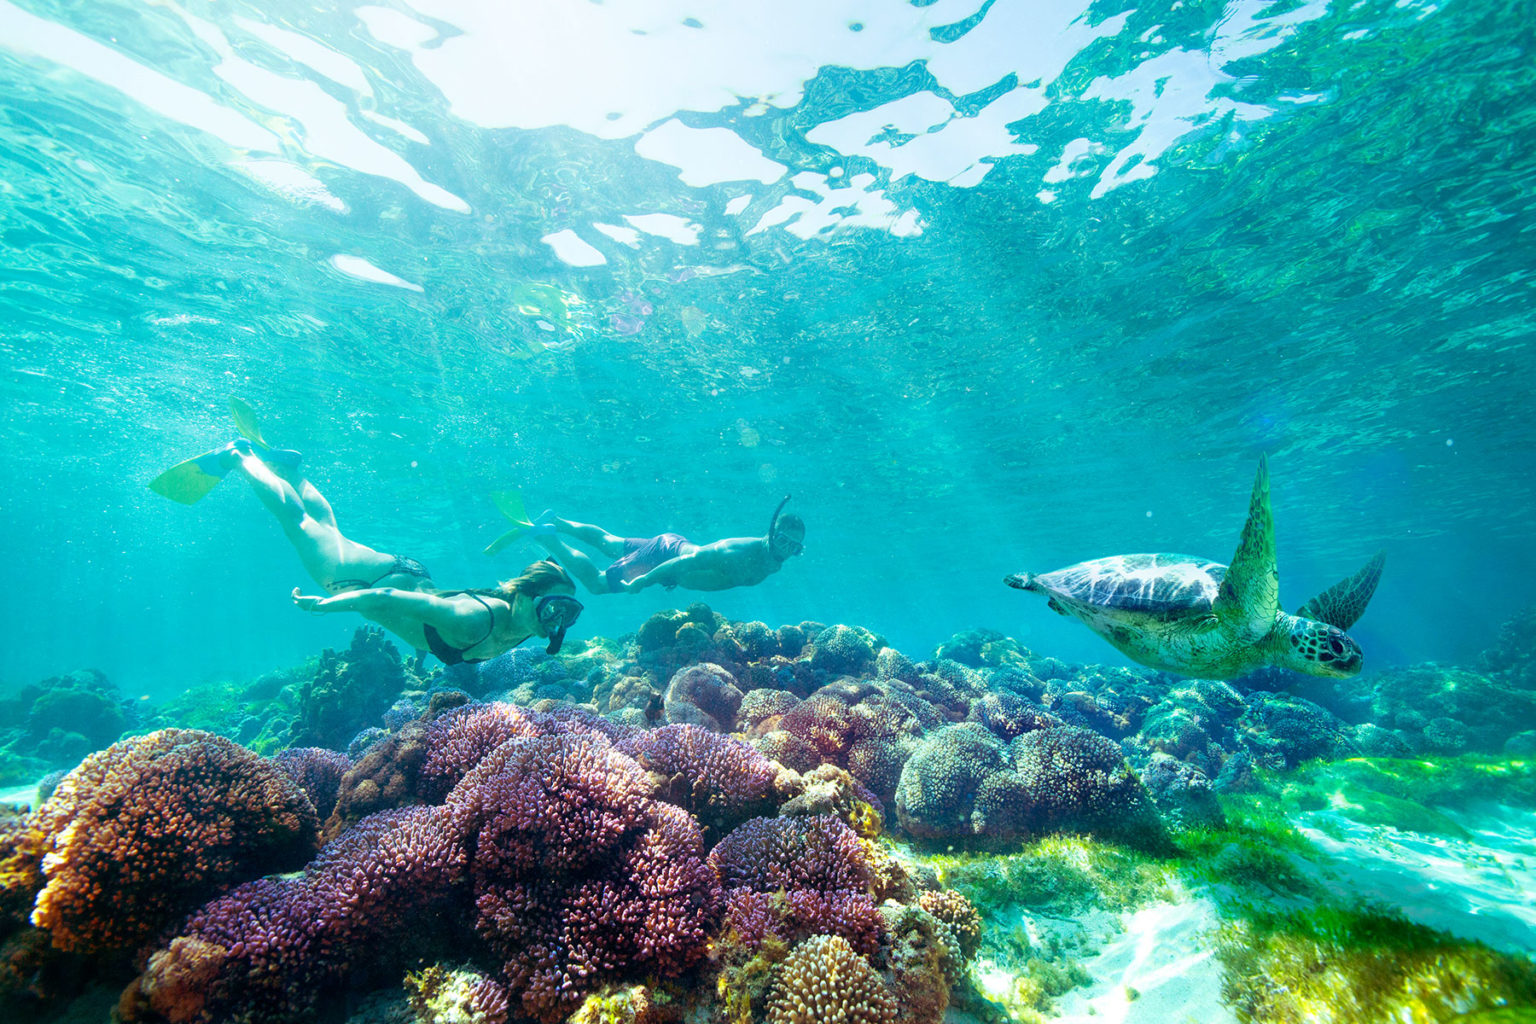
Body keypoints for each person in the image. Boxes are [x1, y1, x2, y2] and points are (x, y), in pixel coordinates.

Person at [153, 434, 583, 663]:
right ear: (526, 596)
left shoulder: (529, 626)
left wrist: (420, 646)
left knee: (326, 528)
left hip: (407, 573)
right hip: (373, 582)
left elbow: (425, 622)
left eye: (567, 611)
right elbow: (388, 599)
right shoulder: (476, 619)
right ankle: (239, 456)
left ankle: (287, 468)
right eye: (553, 608)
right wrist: (327, 606)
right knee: (300, 523)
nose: (558, 620)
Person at [520, 495, 805, 595]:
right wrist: (645, 580)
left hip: (670, 548)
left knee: (610, 543)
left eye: (793, 546)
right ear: (770, 532)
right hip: (666, 556)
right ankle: (546, 536)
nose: (785, 548)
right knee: (596, 585)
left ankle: (556, 520)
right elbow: (685, 564)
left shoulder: (775, 562)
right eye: (782, 539)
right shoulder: (738, 551)